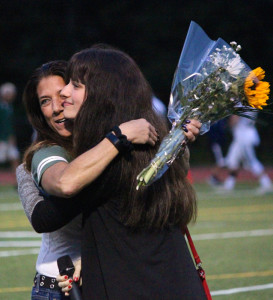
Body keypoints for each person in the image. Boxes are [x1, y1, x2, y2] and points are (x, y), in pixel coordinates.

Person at [57, 45, 204, 299]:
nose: (64, 90)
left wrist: (119, 136)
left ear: (103, 94)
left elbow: (65, 184)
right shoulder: (143, 149)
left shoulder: (118, 152)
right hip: (173, 282)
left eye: (76, 85)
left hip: (135, 285)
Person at [17, 60, 158, 300]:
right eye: (45, 101)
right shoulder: (40, 156)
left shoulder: (105, 144)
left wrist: (181, 138)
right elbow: (46, 214)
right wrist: (119, 139)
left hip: (110, 279)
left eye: (62, 95)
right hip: (60, 288)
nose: (56, 108)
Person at [223, 114, 273, 194]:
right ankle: (229, 185)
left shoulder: (242, 103)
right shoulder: (252, 103)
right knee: (232, 161)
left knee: (251, 161)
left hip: (244, 136)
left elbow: (235, 117)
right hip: (241, 136)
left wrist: (228, 126)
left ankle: (266, 183)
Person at [0, 82, 20, 175]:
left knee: (15, 157)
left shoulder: (9, 107)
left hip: (8, 138)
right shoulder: (2, 108)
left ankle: (18, 181)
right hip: (2, 138)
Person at [207, 119, 227, 186]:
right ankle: (213, 177)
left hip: (218, 143)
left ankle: (214, 177)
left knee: (220, 161)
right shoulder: (214, 122)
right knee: (221, 162)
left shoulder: (219, 121)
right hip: (216, 143)